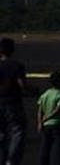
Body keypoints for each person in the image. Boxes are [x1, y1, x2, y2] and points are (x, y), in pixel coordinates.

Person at [0, 37, 26, 165]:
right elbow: (21, 84)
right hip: (12, 102)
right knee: (17, 131)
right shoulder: (16, 66)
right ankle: (11, 159)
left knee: (2, 132)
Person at [37, 71, 60, 165]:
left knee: (45, 147)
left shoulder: (45, 94)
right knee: (59, 148)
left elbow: (40, 110)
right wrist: (47, 118)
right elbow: (57, 110)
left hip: (46, 126)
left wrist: (40, 122)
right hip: (57, 124)